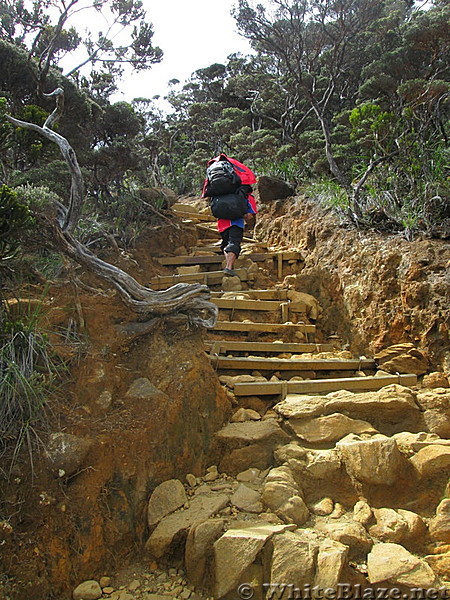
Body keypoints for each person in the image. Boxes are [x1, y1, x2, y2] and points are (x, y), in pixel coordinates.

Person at [201, 153, 257, 277]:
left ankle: (227, 265)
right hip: (235, 222)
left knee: (225, 244)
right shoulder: (245, 194)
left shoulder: (218, 192)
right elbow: (249, 216)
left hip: (221, 223)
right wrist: (244, 216)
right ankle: (229, 267)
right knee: (234, 244)